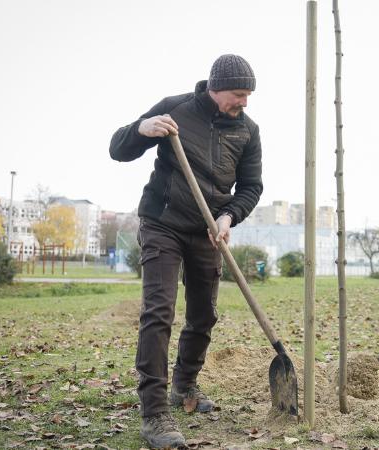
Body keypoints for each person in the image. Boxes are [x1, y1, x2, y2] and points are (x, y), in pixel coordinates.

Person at [109, 54, 262, 448]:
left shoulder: (248, 131)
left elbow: (250, 187)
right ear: (214, 87)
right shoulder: (174, 109)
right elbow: (118, 149)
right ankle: (155, 412)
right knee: (159, 311)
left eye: (248, 96)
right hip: (163, 223)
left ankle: (185, 385)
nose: (243, 102)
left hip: (209, 229)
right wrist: (143, 129)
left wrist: (229, 217)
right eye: (238, 94)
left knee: (204, 314)